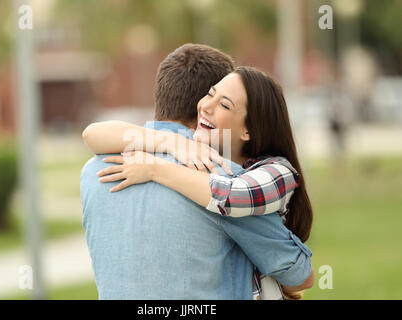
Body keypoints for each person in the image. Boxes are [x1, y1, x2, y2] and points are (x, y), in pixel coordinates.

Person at [80, 44, 313, 299]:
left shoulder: (93, 172)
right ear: (200, 103)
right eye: (212, 94)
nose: (210, 105)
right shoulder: (220, 177)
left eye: (224, 102)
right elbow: (298, 275)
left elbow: (91, 134)